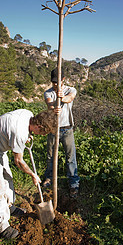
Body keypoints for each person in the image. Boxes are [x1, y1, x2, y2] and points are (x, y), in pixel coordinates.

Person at [0, 109, 56, 240]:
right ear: (39, 126)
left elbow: (14, 130)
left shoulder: (28, 114)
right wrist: (32, 174)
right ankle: (1, 226)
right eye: (42, 132)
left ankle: (9, 207)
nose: (41, 135)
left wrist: (28, 135)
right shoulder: (19, 133)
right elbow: (18, 161)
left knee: (8, 178)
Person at [43, 68, 80, 198]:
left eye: (57, 82)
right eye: (53, 82)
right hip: (53, 129)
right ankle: (49, 178)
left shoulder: (70, 89)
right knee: (51, 155)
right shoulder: (48, 92)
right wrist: (54, 107)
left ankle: (73, 183)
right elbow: (49, 104)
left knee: (70, 157)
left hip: (67, 129)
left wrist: (61, 98)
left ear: (63, 79)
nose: (55, 84)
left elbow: (70, 98)